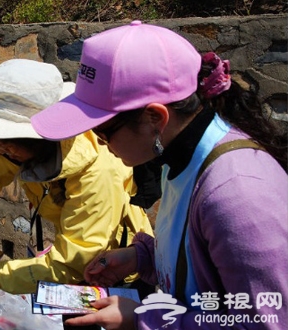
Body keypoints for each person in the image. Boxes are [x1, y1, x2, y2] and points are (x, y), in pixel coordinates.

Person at [31, 21, 288, 329]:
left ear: (155, 117)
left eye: (103, 131)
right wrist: (143, 258)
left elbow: (267, 323)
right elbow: (205, 269)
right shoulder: (179, 157)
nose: (100, 144)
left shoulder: (237, 194)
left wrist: (143, 319)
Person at [0, 59, 152, 301]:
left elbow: (73, 262)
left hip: (116, 271)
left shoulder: (98, 173)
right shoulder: (12, 146)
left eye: (6, 144)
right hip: (75, 260)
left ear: (38, 138)